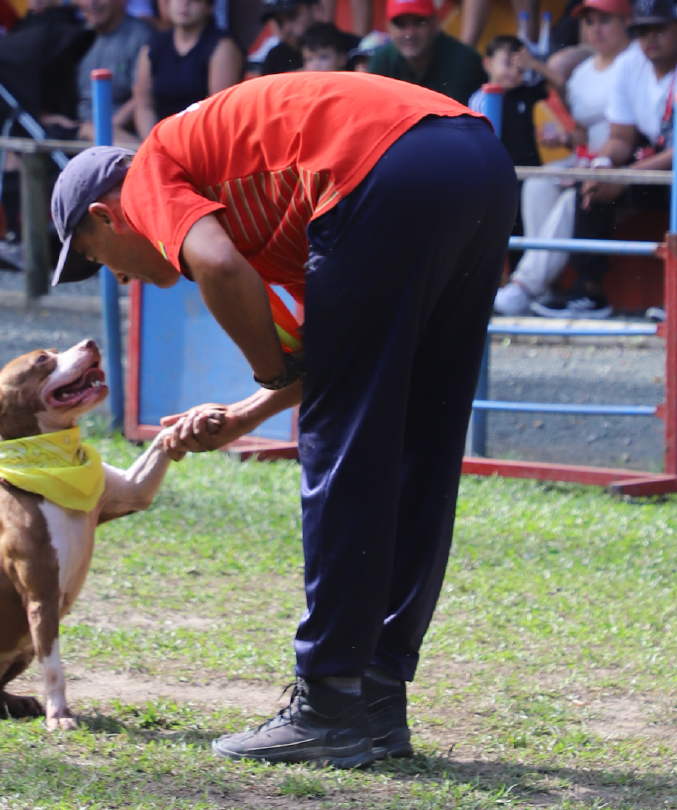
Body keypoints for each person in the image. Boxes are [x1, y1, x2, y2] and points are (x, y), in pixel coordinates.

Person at [47, 72, 518, 767]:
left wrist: (266, 375)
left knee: (339, 447)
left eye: (95, 258)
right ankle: (378, 700)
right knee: (422, 431)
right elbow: (332, 362)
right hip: (474, 159)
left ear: (107, 216)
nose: (119, 278)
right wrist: (246, 413)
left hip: (386, 168)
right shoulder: (276, 206)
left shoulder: (151, 168)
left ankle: (328, 705)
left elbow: (218, 267)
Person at [533, 0, 677, 318]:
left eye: (659, 29)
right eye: (642, 30)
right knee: (595, 182)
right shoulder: (629, 63)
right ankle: (589, 292)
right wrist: (604, 167)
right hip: (656, 165)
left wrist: (625, 177)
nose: (650, 38)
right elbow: (621, 138)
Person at [494, 0, 635, 315]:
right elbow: (584, 133)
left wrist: (595, 163)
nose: (595, 29)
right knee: (537, 184)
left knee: (574, 194)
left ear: (626, 21)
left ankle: (523, 286)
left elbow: (630, 134)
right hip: (583, 158)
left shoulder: (636, 61)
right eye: (589, 21)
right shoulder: (584, 71)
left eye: (605, 20)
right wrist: (567, 138)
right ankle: (542, 288)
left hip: (621, 165)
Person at [131, 0, 241, 140]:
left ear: (209, 6)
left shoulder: (222, 47)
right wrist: (153, 142)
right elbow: (144, 105)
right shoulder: (154, 45)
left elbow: (218, 111)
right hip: (158, 139)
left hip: (201, 140)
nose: (185, 3)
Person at [469, 35, 564, 168]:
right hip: (498, 170)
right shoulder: (481, 99)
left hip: (531, 170)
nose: (514, 72)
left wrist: (533, 64)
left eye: (520, 68)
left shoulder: (526, 91)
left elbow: (559, 81)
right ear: (488, 64)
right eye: (508, 63)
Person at [368, 0, 487, 104]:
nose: (410, 34)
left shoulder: (464, 62)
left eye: (419, 22)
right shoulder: (381, 60)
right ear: (388, 27)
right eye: (401, 24)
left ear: (435, 22)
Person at [74, 0, 153, 144]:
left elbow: (142, 98)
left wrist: (104, 127)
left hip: (122, 137)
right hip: (77, 133)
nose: (92, 3)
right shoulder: (76, 37)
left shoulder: (140, 35)